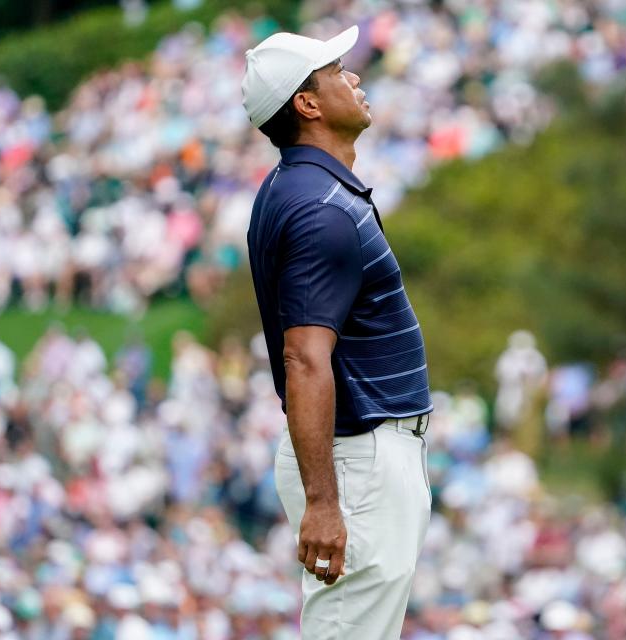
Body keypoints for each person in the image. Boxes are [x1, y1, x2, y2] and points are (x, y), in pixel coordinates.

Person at [242, 25, 434, 639]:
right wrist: (325, 501)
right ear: (309, 104)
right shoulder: (322, 205)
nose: (354, 77)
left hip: (355, 455)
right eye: (337, 72)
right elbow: (304, 357)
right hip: (356, 459)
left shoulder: (299, 187)